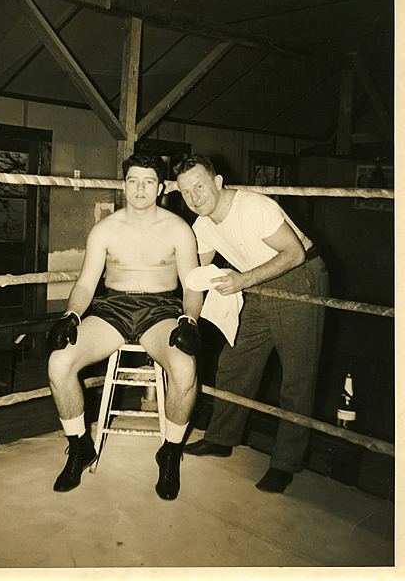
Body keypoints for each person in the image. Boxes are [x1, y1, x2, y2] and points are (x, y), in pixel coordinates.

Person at [47, 153, 202, 501]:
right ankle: (79, 447)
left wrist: (189, 320)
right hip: (113, 308)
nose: (140, 189)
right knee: (59, 363)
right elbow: (87, 283)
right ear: (124, 184)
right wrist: (71, 315)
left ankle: (170, 452)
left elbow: (192, 285)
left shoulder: (178, 228)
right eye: (133, 181)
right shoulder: (105, 229)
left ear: (161, 188)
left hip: (161, 309)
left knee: (184, 366)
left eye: (149, 181)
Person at [175, 154, 329, 493]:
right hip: (257, 282)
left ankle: (285, 462)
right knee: (235, 362)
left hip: (298, 279)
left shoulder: (254, 208)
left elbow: (294, 254)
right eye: (185, 192)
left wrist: (243, 280)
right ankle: (220, 438)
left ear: (218, 182)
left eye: (199, 187)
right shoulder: (202, 225)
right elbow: (195, 279)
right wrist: (188, 320)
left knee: (297, 376)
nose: (194, 197)